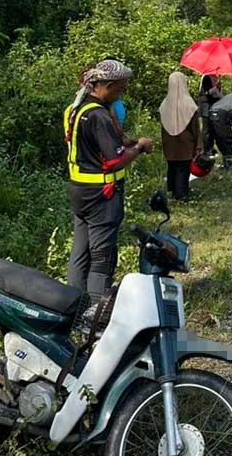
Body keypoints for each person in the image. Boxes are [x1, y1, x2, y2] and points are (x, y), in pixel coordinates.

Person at [64, 59, 153, 303]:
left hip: (79, 192)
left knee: (80, 253)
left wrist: (125, 142)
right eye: (121, 88)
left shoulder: (77, 109)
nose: (121, 93)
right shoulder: (99, 116)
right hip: (101, 195)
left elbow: (93, 146)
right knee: (102, 258)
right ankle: (95, 316)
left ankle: (72, 305)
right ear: (108, 84)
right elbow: (115, 161)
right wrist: (140, 147)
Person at [160, 72, 202, 202]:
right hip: (186, 143)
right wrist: (199, 145)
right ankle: (182, 195)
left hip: (169, 143)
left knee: (171, 167)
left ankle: (171, 192)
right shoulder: (188, 103)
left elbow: (162, 127)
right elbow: (195, 127)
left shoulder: (164, 104)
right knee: (183, 170)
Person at [198, 74, 222, 153]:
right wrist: (215, 88)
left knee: (213, 127)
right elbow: (205, 93)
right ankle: (206, 148)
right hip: (206, 105)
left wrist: (218, 89)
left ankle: (211, 147)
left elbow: (217, 93)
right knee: (206, 128)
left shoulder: (217, 78)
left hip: (214, 105)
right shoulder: (206, 78)